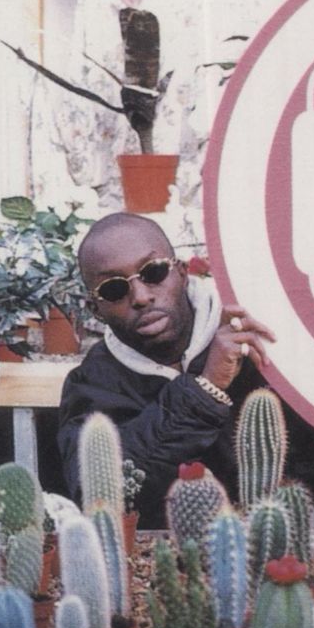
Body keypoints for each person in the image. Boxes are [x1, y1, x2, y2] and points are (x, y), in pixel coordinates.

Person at [57, 212, 275, 528]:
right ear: (96, 310)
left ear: (183, 273)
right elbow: (98, 495)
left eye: (153, 272)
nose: (141, 297)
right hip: (163, 555)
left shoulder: (253, 337)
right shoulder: (92, 384)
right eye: (114, 289)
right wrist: (205, 388)